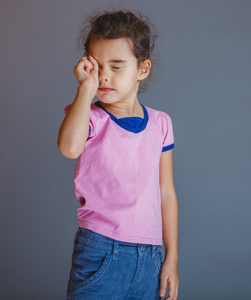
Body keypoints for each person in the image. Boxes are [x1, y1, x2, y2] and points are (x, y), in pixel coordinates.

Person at [57, 9, 179, 300]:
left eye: (116, 66)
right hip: (100, 251)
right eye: (97, 67)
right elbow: (69, 148)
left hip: (150, 256)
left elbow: (166, 193)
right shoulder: (90, 116)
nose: (104, 77)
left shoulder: (161, 123)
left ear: (142, 69)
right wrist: (85, 90)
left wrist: (171, 256)